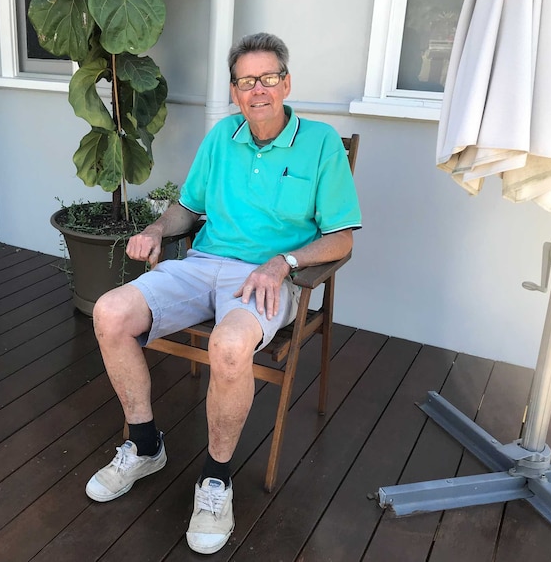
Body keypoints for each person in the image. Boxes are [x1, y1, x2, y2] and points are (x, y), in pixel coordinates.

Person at [87, 32, 362, 555]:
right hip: (203, 263)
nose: (257, 90)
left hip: (266, 276)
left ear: (286, 82)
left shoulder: (322, 142)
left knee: (230, 347)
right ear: (234, 91)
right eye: (245, 81)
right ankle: (145, 446)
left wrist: (283, 262)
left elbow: (341, 236)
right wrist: (156, 230)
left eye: (267, 78)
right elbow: (187, 209)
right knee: (110, 312)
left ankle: (215, 480)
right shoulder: (221, 137)